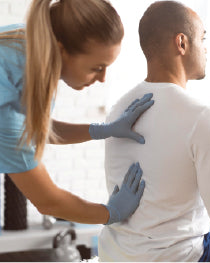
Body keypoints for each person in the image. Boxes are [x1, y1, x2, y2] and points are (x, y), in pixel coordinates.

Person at [98, 0, 210, 261]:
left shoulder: (119, 109)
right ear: (182, 43)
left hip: (117, 255)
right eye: (203, 38)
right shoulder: (204, 117)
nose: (206, 49)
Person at [0, 0, 155, 226]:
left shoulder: (28, 41)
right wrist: (111, 213)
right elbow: (48, 201)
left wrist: (102, 131)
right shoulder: (9, 84)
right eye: (97, 67)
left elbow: (33, 128)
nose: (102, 78)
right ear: (62, 50)